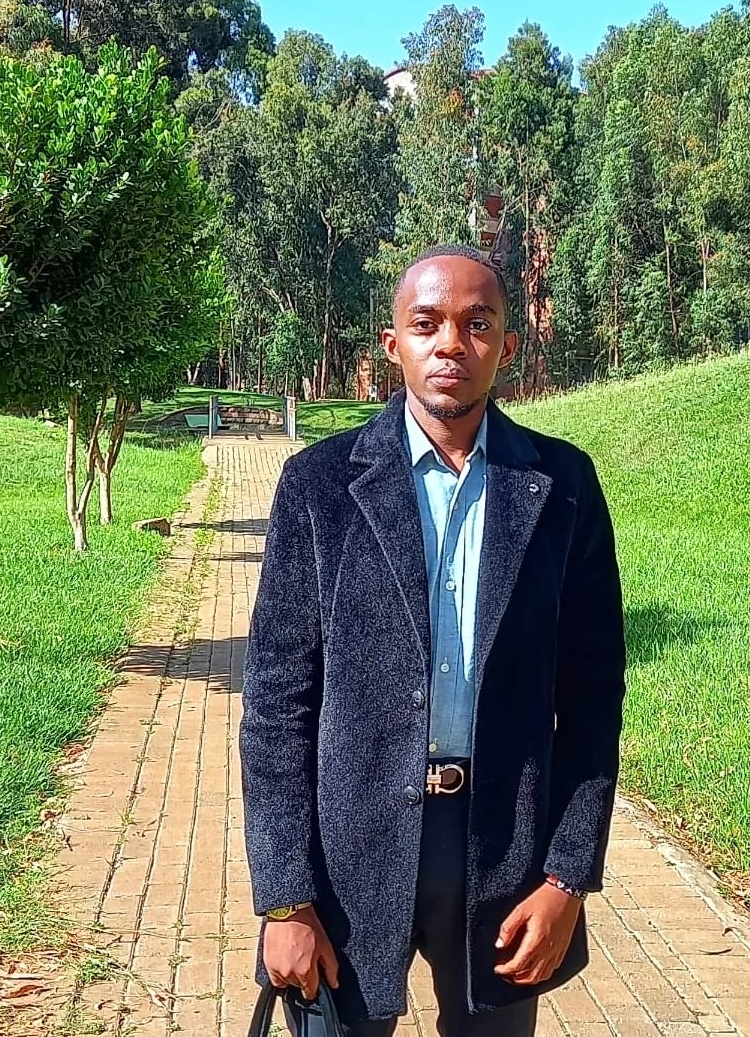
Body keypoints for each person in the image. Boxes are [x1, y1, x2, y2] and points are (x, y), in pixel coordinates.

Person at [240, 244, 626, 1036]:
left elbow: (593, 700)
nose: (451, 343)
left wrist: (566, 878)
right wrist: (284, 899)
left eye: (477, 324)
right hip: (347, 852)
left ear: (507, 347)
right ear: (394, 344)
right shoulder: (319, 485)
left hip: (503, 852)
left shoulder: (562, 487)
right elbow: (277, 707)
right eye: (427, 324)